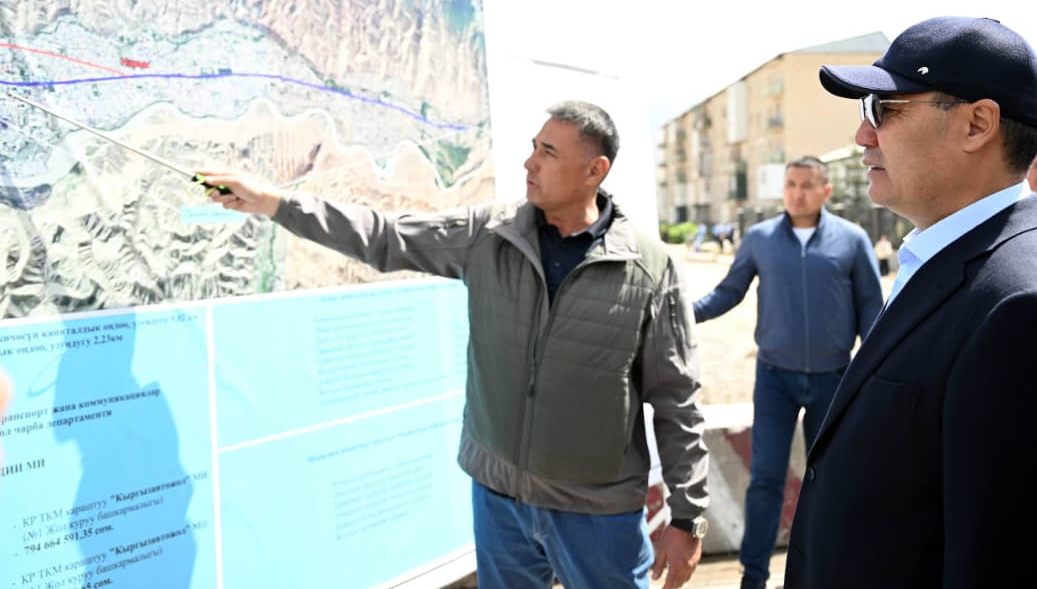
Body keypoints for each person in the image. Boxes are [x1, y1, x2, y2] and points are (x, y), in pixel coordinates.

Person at [203, 101, 710, 589]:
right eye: (534, 147)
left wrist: (688, 518)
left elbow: (676, 399)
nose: (529, 162)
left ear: (594, 170)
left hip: (596, 514)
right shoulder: (489, 234)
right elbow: (385, 236)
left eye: (548, 152)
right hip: (499, 502)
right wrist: (273, 203)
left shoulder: (649, 269)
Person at [786, 16, 1037, 589]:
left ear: (977, 124)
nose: (863, 135)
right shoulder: (958, 257)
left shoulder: (1027, 308)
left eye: (884, 109)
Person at [693, 156, 882, 589]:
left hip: (834, 378)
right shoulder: (760, 239)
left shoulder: (852, 239)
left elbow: (871, 306)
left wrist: (873, 366)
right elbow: (729, 292)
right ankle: (754, 576)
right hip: (774, 378)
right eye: (791, 184)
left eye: (807, 185)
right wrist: (685, 312)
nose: (797, 193)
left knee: (829, 479)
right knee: (765, 479)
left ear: (825, 191)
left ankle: (824, 570)